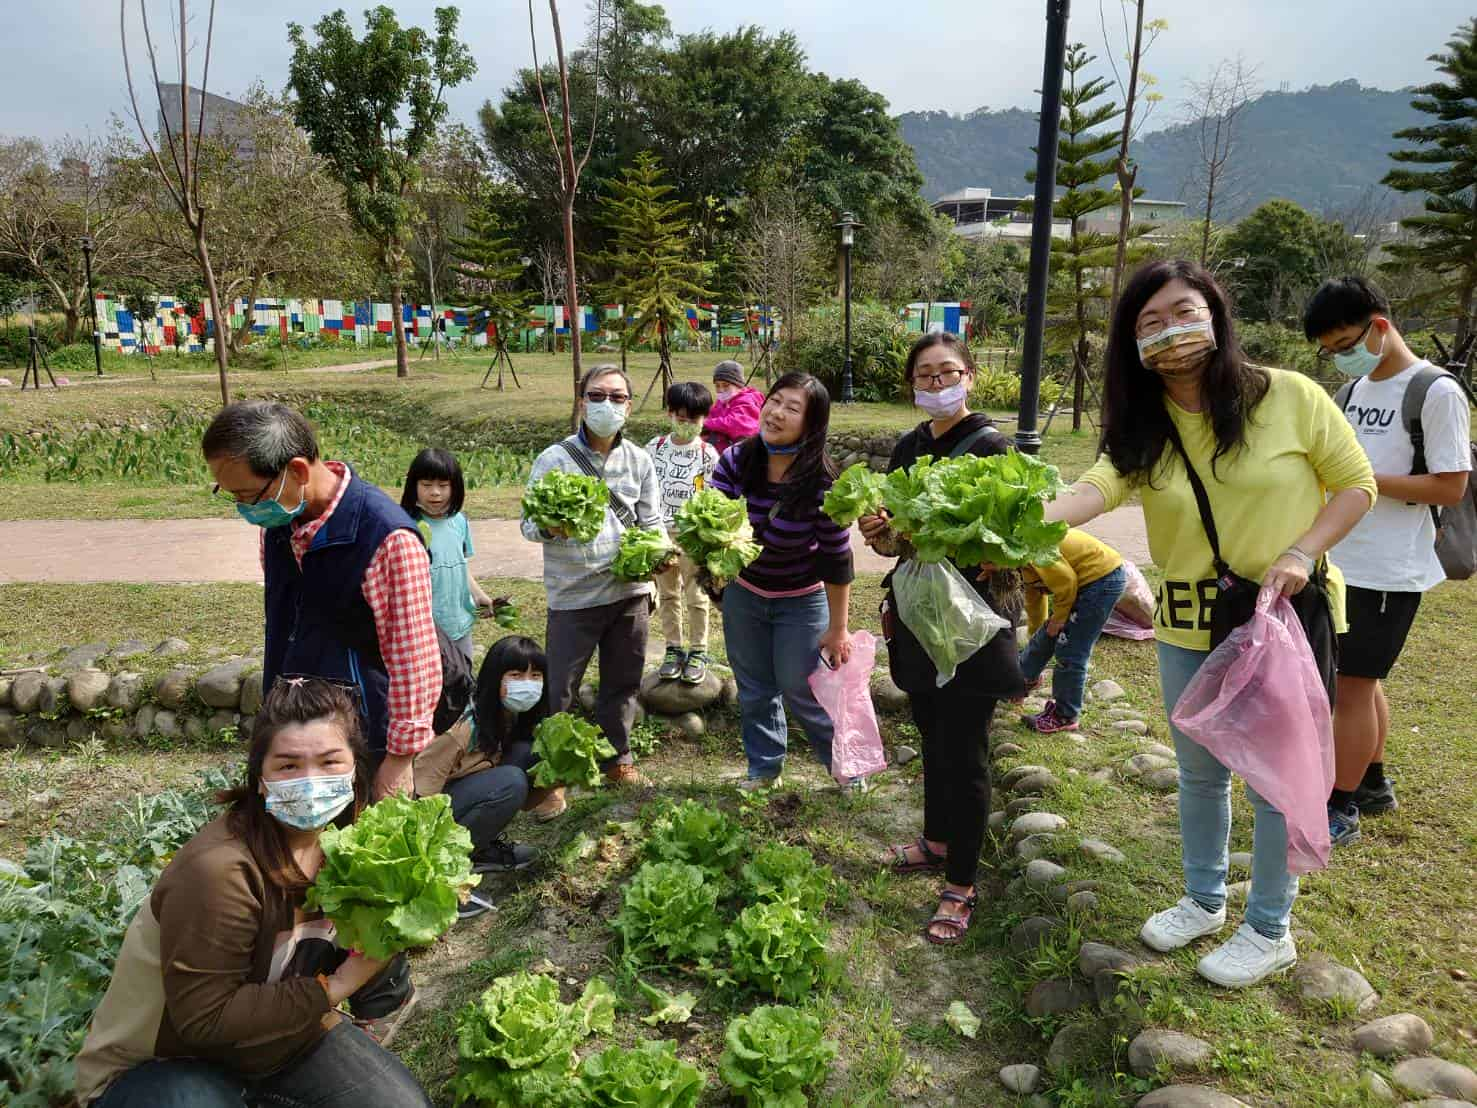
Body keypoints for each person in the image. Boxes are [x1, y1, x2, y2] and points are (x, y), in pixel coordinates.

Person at [1046, 259, 1376, 988]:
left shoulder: (1287, 396)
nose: (1170, 330)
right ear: (1131, 343)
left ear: (1216, 314)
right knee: (1197, 774)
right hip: (1188, 622)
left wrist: (1300, 550)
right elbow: (1095, 486)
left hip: (1280, 619)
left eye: (1182, 311)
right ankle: (1202, 899)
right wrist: (1016, 521)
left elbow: (1356, 485)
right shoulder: (1145, 423)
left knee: (1273, 781)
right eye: (1148, 322)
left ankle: (1268, 928)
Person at [74, 679, 432, 1107]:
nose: (310, 781)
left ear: (355, 768)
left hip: (280, 1040)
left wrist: (414, 907)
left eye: (330, 761)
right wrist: (336, 986)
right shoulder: (221, 870)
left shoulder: (354, 842)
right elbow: (205, 1021)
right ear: (260, 779)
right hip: (169, 1063)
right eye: (288, 766)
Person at [859, 333, 1026, 944]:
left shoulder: (992, 447)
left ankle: (961, 882)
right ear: (912, 385)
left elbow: (1015, 540)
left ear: (971, 376)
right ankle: (935, 839)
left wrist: (981, 546)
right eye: (924, 376)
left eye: (947, 373)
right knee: (930, 730)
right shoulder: (908, 447)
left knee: (968, 750)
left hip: (973, 621)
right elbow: (893, 542)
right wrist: (879, 530)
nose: (936, 385)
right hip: (918, 612)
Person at [1302, 276, 1472, 845]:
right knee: (1362, 683)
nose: (1338, 357)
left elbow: (1450, 486)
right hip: (1345, 562)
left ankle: (1340, 804)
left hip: (1391, 569)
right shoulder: (1353, 394)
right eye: (1328, 351)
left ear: (1378, 325)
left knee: (1350, 688)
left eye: (1344, 343)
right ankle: (1371, 782)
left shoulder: (1434, 390)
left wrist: (1363, 482)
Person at [203, 402, 440, 803]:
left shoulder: (388, 539)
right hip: (292, 726)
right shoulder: (279, 524)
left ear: (296, 470)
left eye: (247, 495)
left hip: (360, 738)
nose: (245, 508)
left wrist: (399, 761)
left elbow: (414, 660)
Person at [709, 371, 855, 792]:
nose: (776, 412)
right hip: (746, 594)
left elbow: (836, 557)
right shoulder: (737, 459)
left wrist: (838, 628)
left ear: (812, 424)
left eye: (792, 408)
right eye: (774, 400)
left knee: (804, 689)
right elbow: (711, 519)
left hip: (801, 599)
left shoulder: (824, 482)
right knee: (754, 689)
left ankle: (845, 768)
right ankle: (764, 769)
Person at [521, 365, 661, 786]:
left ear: (629, 407)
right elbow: (528, 525)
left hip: (629, 592)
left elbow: (650, 522)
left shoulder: (639, 460)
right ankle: (558, 768)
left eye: (617, 398)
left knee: (623, 681)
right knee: (561, 689)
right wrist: (551, 526)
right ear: (582, 401)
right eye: (597, 396)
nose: (607, 405)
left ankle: (618, 758)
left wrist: (657, 555)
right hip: (573, 597)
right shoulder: (554, 458)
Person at [415, 635, 551, 920]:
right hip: (428, 813)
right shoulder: (462, 727)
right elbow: (417, 796)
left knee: (527, 756)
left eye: (535, 675)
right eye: (516, 674)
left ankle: (480, 848)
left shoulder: (514, 716)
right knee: (511, 781)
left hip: (464, 795)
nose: (527, 683)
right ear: (495, 676)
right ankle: (442, 877)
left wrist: (559, 777)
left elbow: (524, 802)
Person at [646, 381, 722, 685]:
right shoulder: (655, 448)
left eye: (694, 419)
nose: (687, 424)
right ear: (669, 414)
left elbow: (715, 496)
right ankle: (673, 648)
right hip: (660, 534)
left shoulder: (708, 454)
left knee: (697, 594)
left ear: (704, 420)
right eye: (681, 417)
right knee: (667, 593)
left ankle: (698, 650)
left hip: (693, 536)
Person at [1018, 529, 1128, 733]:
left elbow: (1067, 582)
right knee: (1051, 631)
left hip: (1101, 579)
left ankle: (1065, 716)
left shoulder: (1028, 550)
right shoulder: (1017, 557)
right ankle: (1023, 679)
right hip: (1089, 580)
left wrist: (1059, 618)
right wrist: (1038, 632)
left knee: (1071, 650)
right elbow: (1035, 596)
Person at [400, 447, 496, 662]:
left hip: (459, 625)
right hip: (424, 630)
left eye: (443, 486)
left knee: (462, 681)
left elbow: (460, 565)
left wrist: (479, 596)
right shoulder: (406, 526)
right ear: (413, 486)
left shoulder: (459, 521)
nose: (435, 492)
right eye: (426, 485)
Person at [702, 359, 763, 455]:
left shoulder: (746, 401)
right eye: (717, 386)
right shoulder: (723, 401)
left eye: (726, 385)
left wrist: (707, 423)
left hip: (744, 450)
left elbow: (735, 423)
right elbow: (713, 414)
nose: (721, 390)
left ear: (738, 385)